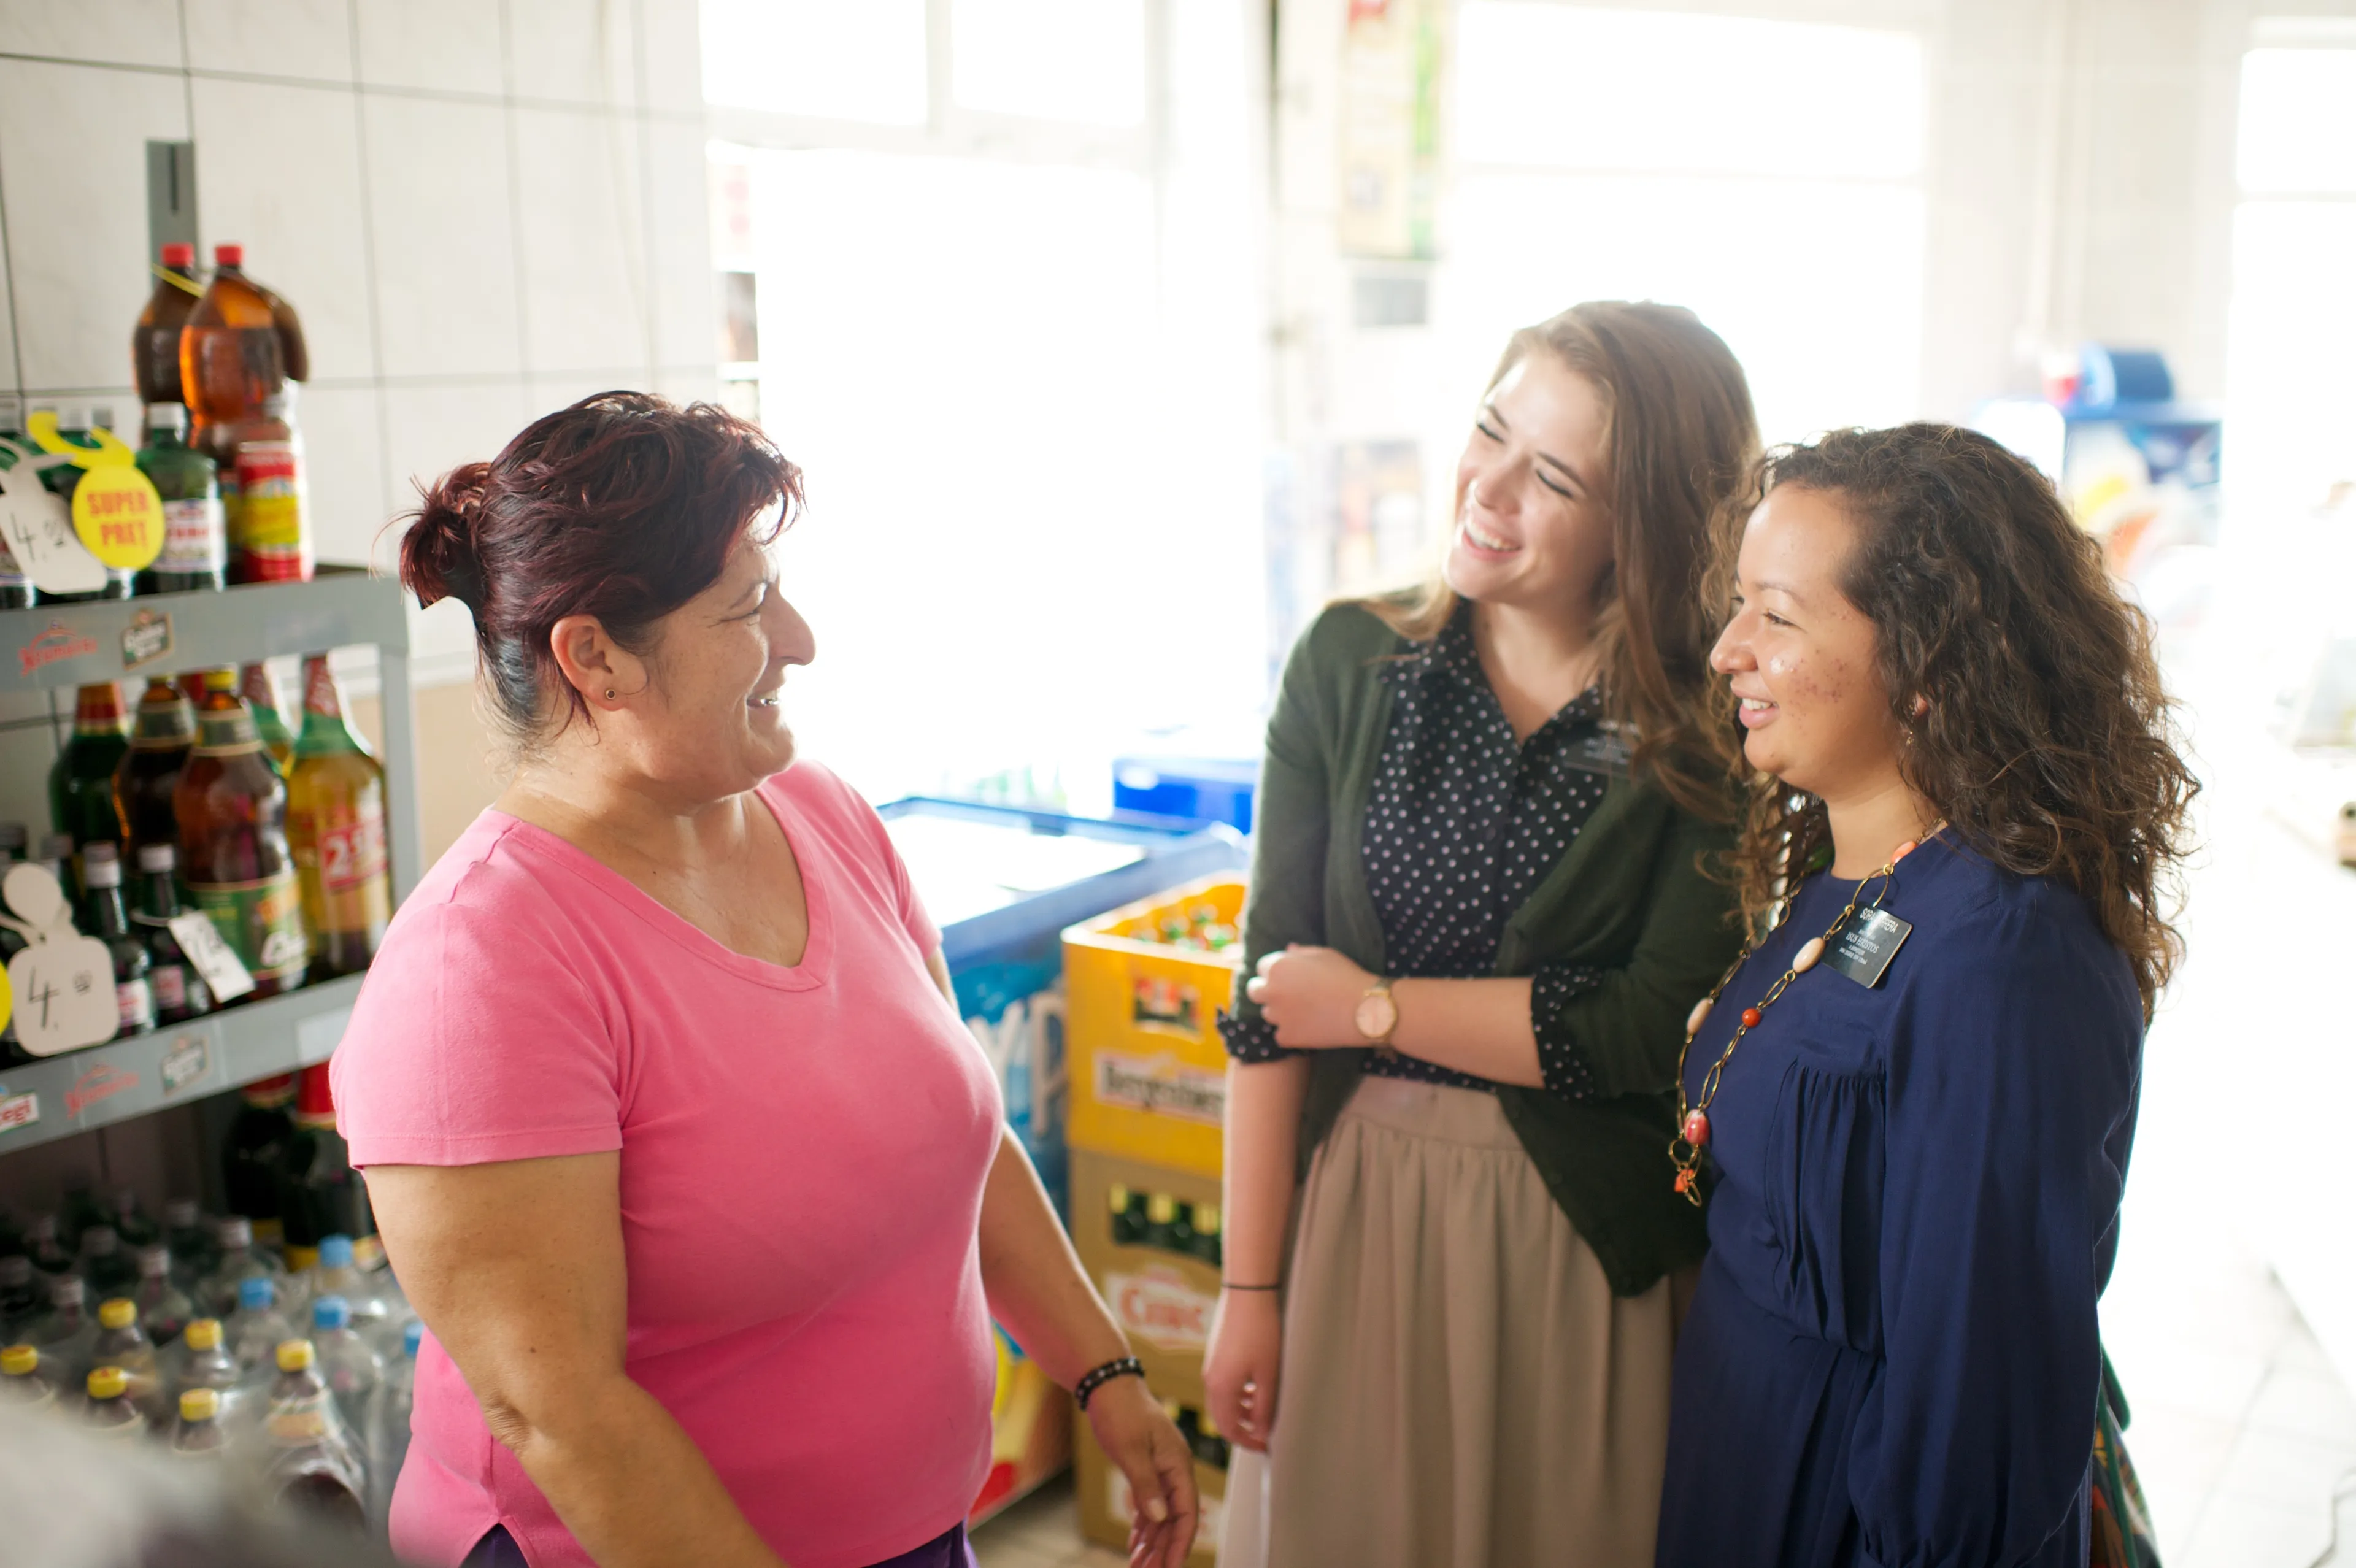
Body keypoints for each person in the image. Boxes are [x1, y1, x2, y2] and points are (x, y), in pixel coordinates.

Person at [332, 393, 1198, 1568]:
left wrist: (1103, 1367)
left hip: (914, 1533)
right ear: (595, 657)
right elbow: (562, 1413)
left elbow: (962, 1138)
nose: (798, 638)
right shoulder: (479, 971)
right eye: (747, 606)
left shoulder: (820, 812)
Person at [1204, 302, 1761, 1567]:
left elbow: (1643, 1029)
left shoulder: (1709, 733)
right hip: (1353, 1215)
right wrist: (1247, 1289)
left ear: (1647, 528)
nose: (1490, 490)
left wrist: (1375, 1010)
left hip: (1582, 1249)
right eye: (1489, 434)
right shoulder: (1349, 664)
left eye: (1555, 478)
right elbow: (1267, 997)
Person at [1657, 424, 2198, 1568]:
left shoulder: (2004, 954)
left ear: (1931, 665)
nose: (1727, 651)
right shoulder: (1852, 874)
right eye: (1740, 604)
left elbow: (1979, 1410)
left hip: (1849, 1506)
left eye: (1779, 616)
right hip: (1752, 1456)